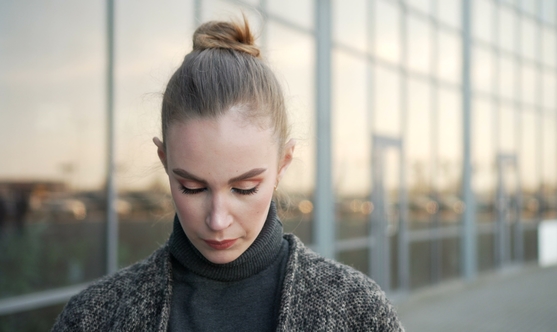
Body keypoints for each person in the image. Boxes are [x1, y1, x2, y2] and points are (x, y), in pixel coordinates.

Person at [52, 18, 404, 332]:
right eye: (192, 187)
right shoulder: (94, 317)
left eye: (245, 188)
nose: (218, 220)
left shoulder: (357, 310)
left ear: (284, 162)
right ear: (164, 160)